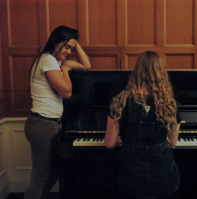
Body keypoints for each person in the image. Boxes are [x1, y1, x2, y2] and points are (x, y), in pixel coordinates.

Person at [24, 25, 91, 199]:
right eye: (66, 47)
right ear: (56, 42)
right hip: (42, 125)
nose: (69, 52)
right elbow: (67, 93)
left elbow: (87, 65)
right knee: (40, 177)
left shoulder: (55, 62)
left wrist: (76, 44)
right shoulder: (48, 60)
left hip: (48, 124)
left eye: (71, 48)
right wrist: (66, 71)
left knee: (53, 173)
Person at [105, 51, 181, 199]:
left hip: (131, 178)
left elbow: (109, 144)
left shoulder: (121, 100)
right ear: (161, 74)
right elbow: (172, 142)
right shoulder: (170, 104)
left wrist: (122, 139)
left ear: (137, 72)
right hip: (163, 178)